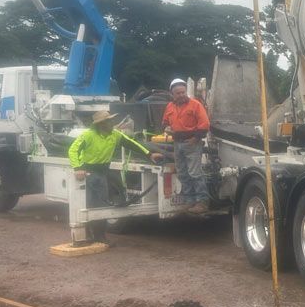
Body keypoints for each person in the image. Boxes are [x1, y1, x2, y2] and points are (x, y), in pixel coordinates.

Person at [68, 110, 163, 244]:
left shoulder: (115, 135)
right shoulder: (88, 135)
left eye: (111, 120)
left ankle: (100, 237)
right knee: (89, 205)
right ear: (100, 124)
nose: (112, 123)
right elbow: (73, 150)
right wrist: (78, 168)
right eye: (108, 121)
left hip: (102, 172)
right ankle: (88, 236)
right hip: (88, 173)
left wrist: (149, 154)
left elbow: (131, 143)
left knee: (102, 206)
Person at [162, 78, 211, 213]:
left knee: (195, 173)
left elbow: (205, 124)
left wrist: (195, 139)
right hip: (177, 143)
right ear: (172, 94)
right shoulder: (170, 107)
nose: (182, 95)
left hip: (192, 143)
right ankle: (190, 201)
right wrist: (166, 127)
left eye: (183, 92)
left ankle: (202, 202)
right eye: (178, 93)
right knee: (182, 173)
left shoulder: (195, 105)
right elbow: (165, 122)